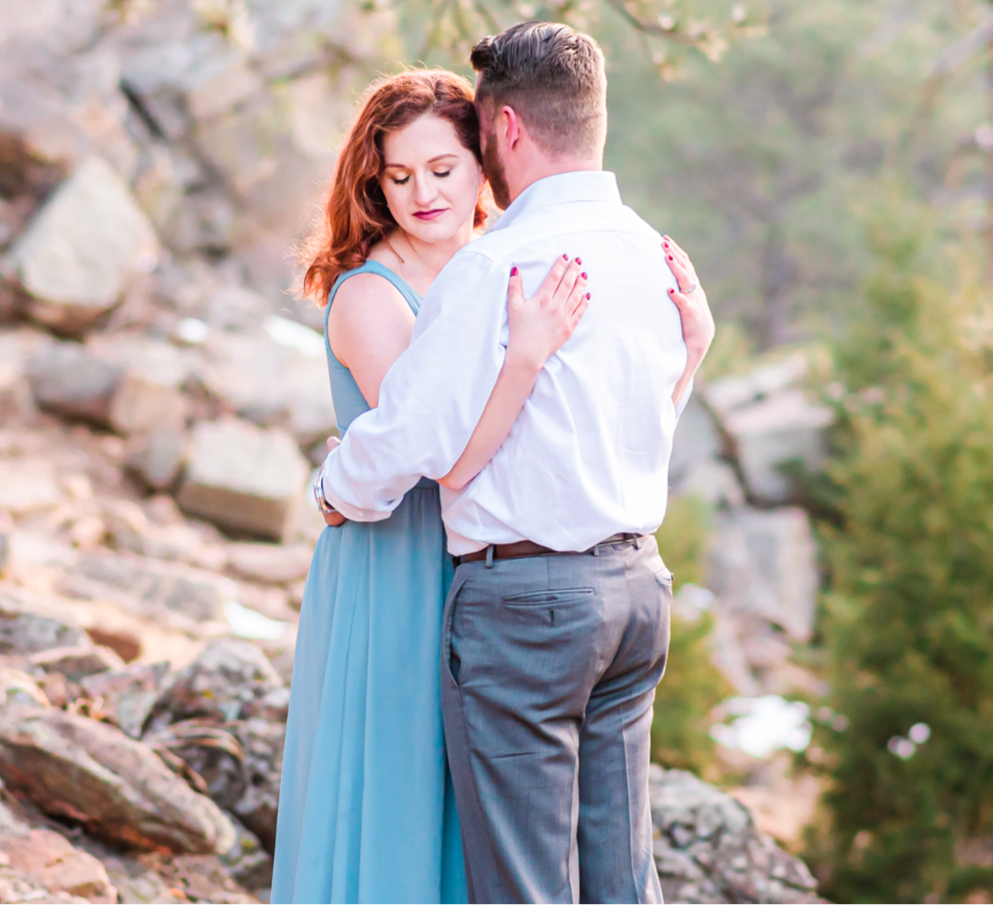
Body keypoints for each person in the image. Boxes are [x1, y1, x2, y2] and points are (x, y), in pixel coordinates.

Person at [276, 65, 711, 903]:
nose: (421, 193)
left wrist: (688, 352)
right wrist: (523, 360)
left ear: (486, 160)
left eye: (442, 169)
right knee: (413, 800)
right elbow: (436, 458)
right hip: (404, 568)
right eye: (398, 176)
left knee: (498, 830)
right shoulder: (376, 293)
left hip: (491, 570)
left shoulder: (498, 270)